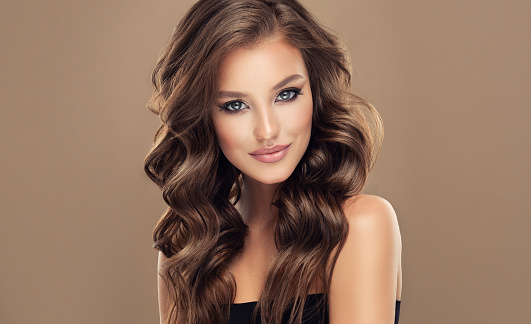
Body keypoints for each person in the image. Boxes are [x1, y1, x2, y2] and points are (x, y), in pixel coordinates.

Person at [144, 0, 402, 323]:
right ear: (204, 116)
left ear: (315, 92)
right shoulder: (186, 248)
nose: (267, 131)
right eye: (236, 105)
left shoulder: (359, 228)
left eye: (286, 95)